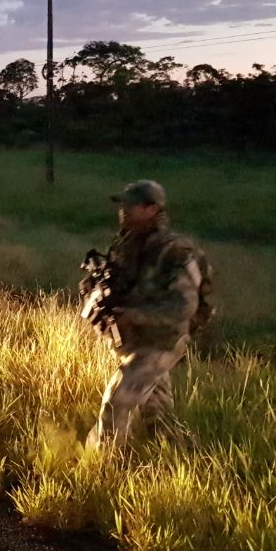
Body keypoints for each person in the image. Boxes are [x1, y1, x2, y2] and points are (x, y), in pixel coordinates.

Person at [86, 180, 203, 450]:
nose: (123, 210)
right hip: (137, 340)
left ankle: (102, 471)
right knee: (159, 415)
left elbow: (183, 307)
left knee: (117, 402)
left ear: (152, 209)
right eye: (122, 205)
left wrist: (134, 314)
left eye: (131, 205)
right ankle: (180, 458)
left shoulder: (172, 251)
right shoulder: (128, 242)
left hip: (160, 341)